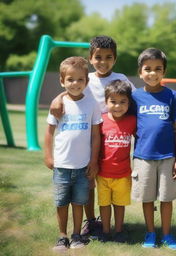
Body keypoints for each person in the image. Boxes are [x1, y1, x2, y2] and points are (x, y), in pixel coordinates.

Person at [49, 35, 135, 239]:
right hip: (88, 139)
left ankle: (115, 225)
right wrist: (58, 97)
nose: (103, 62)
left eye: (108, 57)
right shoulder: (86, 79)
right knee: (88, 183)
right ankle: (92, 221)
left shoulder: (122, 79)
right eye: (98, 57)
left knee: (111, 182)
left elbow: (135, 100)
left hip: (113, 140)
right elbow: (72, 91)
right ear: (91, 57)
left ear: (115, 58)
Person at [44, 56, 102, 250]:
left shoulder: (92, 104)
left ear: (86, 81)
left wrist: (93, 161)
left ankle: (77, 235)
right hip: (61, 165)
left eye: (80, 79)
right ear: (62, 81)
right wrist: (48, 155)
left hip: (83, 166)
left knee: (78, 202)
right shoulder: (58, 105)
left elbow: (95, 136)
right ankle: (62, 236)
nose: (75, 83)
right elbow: (49, 131)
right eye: (70, 79)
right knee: (61, 203)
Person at [131, 48, 176, 250]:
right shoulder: (134, 97)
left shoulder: (172, 96)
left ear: (164, 72)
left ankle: (168, 234)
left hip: (168, 156)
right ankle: (151, 233)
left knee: (166, 197)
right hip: (142, 156)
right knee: (146, 197)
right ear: (140, 72)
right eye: (147, 69)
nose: (152, 73)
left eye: (157, 69)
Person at [97, 80, 136, 243]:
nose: (118, 106)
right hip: (102, 173)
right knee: (104, 204)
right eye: (113, 101)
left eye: (122, 102)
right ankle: (105, 231)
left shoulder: (132, 121)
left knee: (120, 204)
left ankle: (119, 230)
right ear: (106, 102)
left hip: (123, 174)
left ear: (129, 103)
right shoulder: (101, 120)